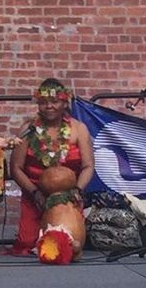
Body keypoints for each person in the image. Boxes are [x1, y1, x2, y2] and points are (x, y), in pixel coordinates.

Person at [10, 77, 95, 253]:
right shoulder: (28, 129)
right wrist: (35, 193)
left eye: (54, 101)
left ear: (65, 102)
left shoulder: (79, 129)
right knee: (29, 243)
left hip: (68, 195)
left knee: (68, 242)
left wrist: (77, 190)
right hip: (35, 194)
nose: (49, 106)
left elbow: (88, 166)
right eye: (43, 102)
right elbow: (16, 168)